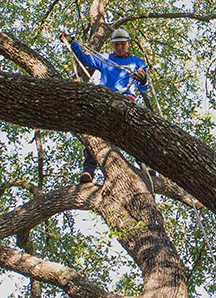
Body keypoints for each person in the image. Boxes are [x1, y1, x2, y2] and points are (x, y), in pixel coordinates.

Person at [60, 28, 150, 183]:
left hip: (126, 99)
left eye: (122, 44)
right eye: (116, 45)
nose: (120, 47)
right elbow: (85, 59)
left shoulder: (136, 62)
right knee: (95, 133)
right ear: (112, 45)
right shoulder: (105, 58)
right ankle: (88, 171)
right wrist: (73, 44)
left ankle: (146, 165)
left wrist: (142, 80)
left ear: (128, 44)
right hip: (105, 99)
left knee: (133, 132)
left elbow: (144, 88)